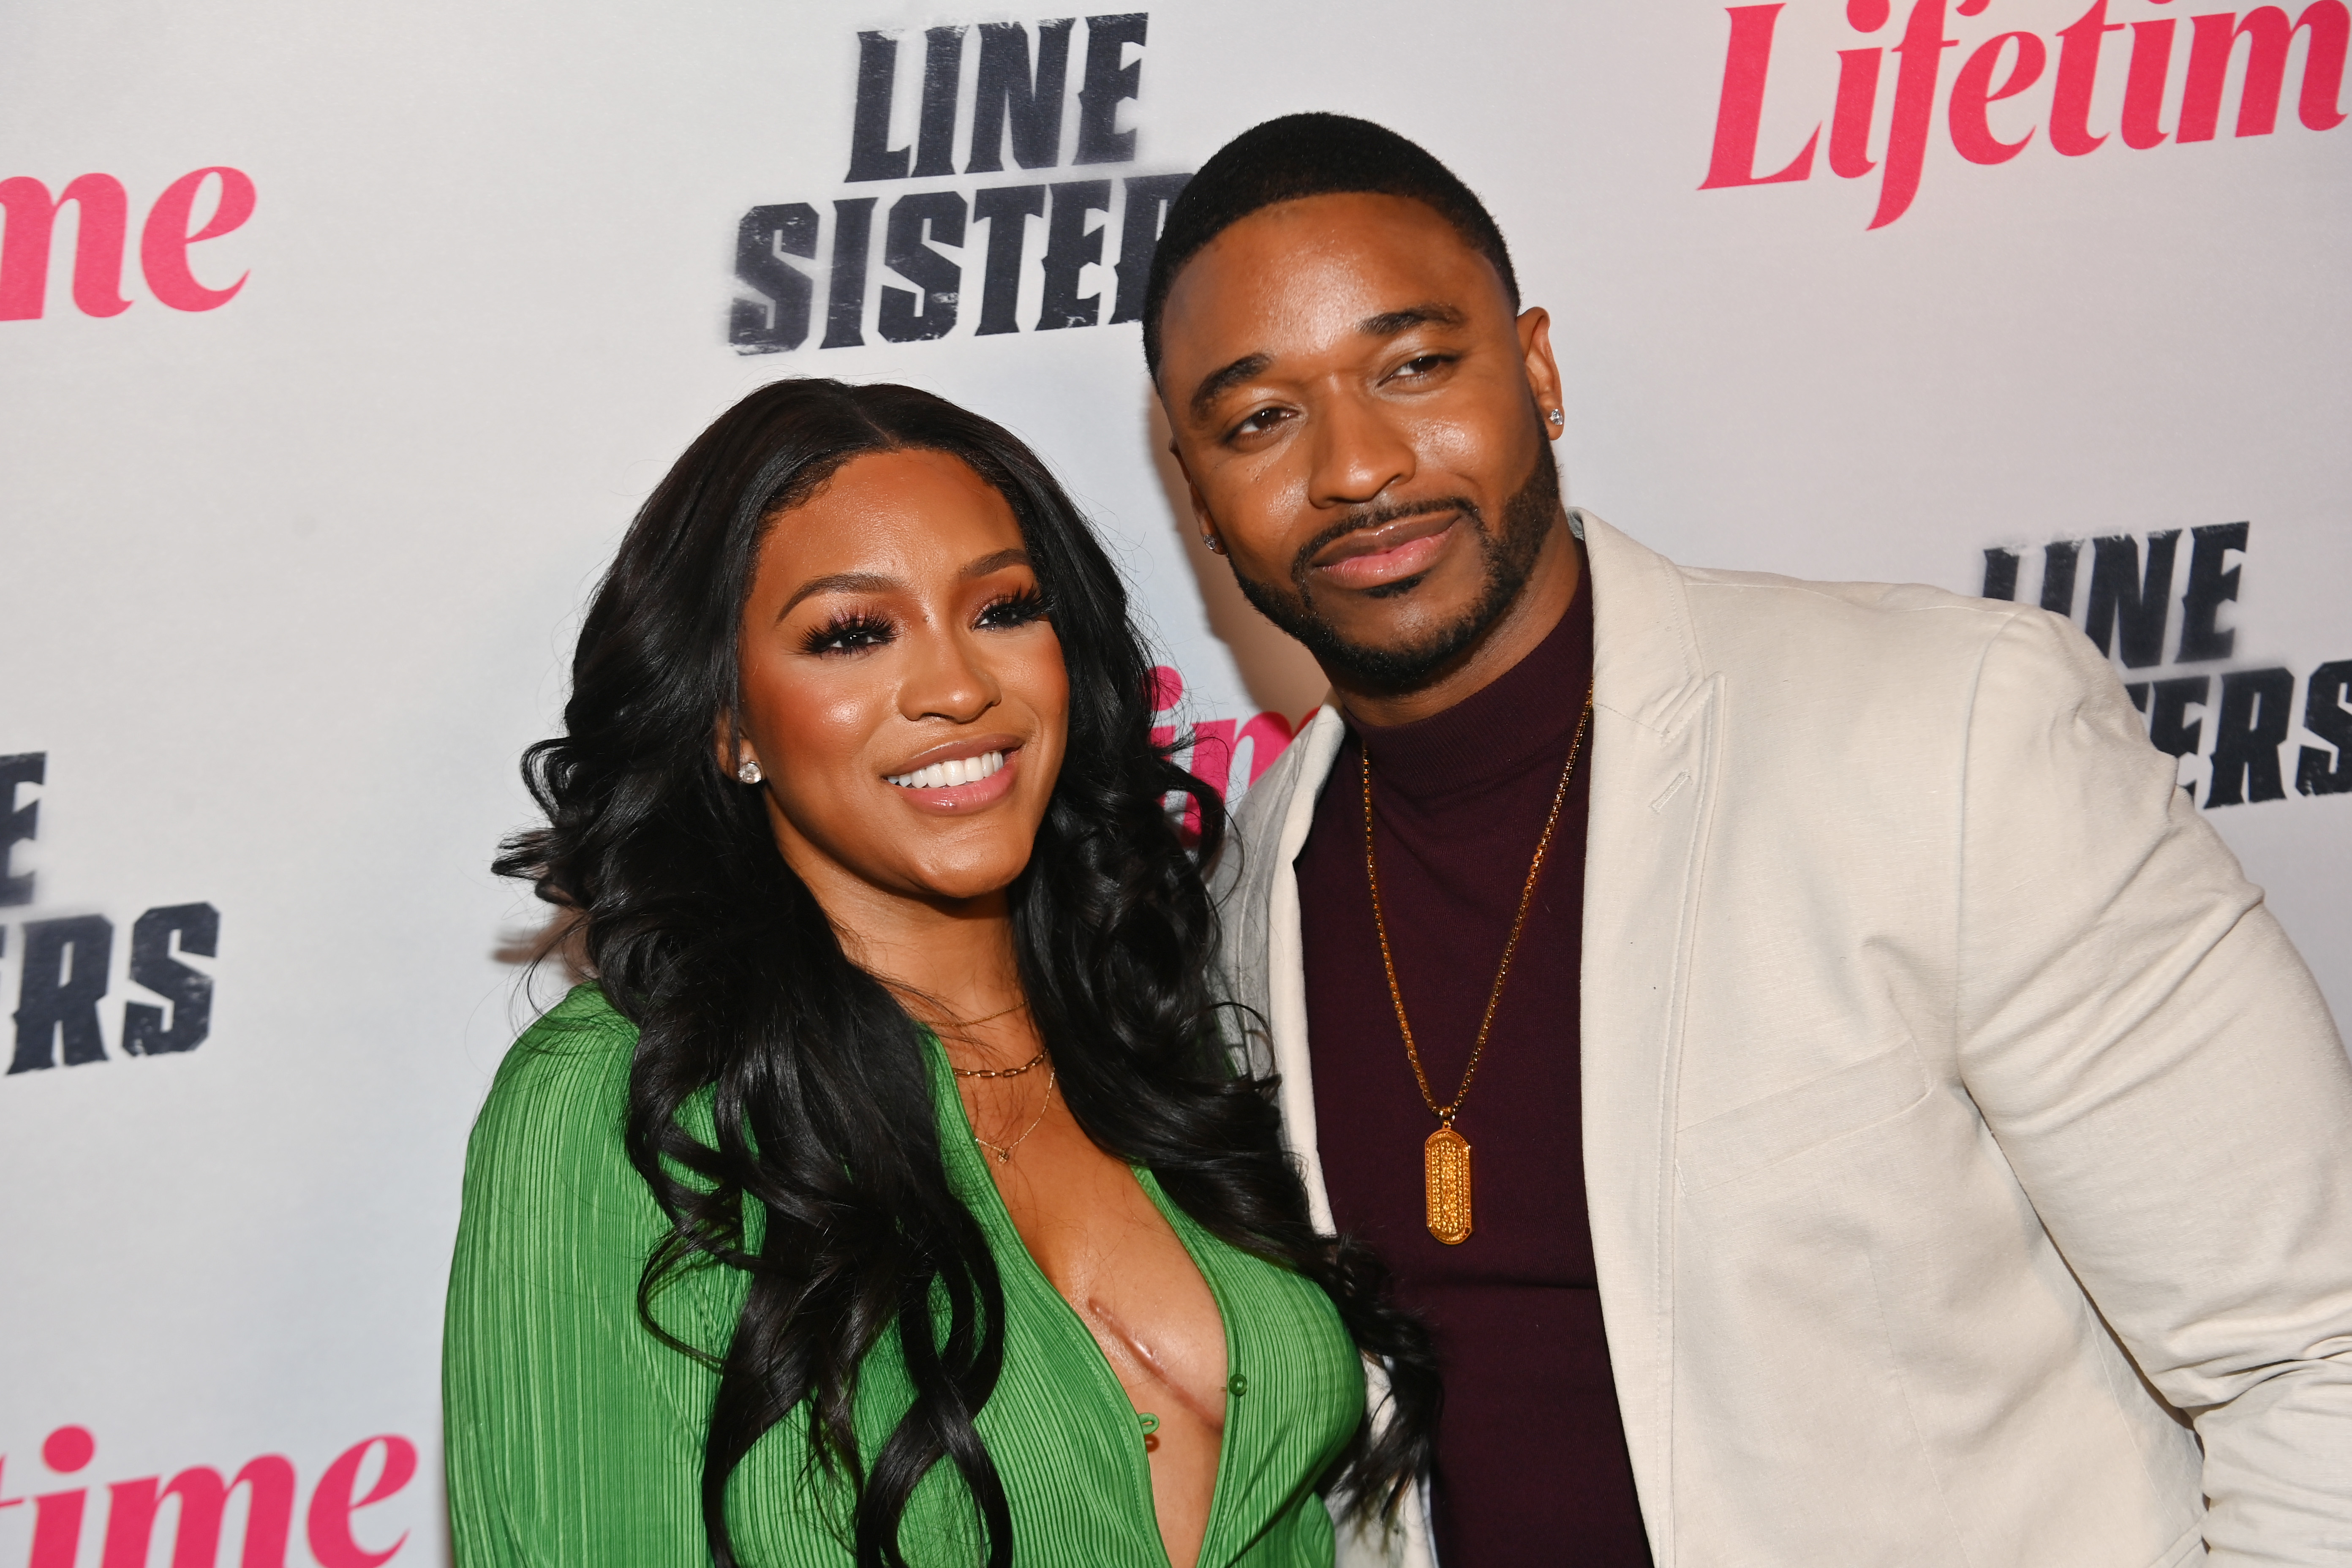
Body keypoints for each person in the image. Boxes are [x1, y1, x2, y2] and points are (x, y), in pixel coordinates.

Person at [1144, 114, 2352, 1568]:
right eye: (1261, 418)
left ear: (1538, 371)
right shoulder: (1242, 898)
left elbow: (2314, 1353)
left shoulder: (1947, 732)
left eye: (1414, 366)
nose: (1355, 465)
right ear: (1200, 497)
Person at [442, 378, 1437, 1568]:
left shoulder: (1153, 1019)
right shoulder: (622, 1106)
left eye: (1005, 609)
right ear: (730, 724)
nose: (960, 689)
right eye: (853, 634)